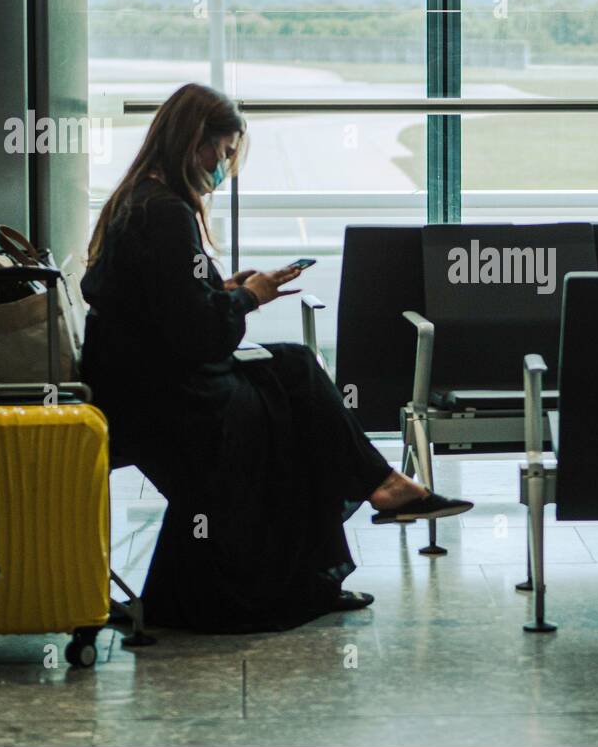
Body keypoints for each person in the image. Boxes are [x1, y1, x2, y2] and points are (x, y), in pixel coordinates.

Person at [80, 83, 471, 633]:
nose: (224, 164)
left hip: (145, 382)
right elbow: (200, 335)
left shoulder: (140, 201)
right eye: (223, 150)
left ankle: (375, 496)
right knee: (292, 405)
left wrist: (225, 291)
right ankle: (372, 499)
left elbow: (172, 309)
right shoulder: (166, 214)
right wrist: (247, 297)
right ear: (196, 143)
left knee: (293, 367)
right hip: (165, 399)